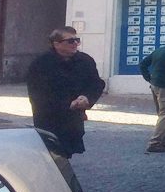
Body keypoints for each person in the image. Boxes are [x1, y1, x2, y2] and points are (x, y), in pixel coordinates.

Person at [26, 26, 106, 158]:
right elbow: (38, 94)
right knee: (50, 155)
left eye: (77, 40)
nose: (75, 44)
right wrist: (67, 104)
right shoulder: (41, 63)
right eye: (70, 41)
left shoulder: (85, 60)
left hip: (74, 120)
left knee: (67, 154)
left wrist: (87, 98)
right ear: (56, 44)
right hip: (49, 119)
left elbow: (96, 83)